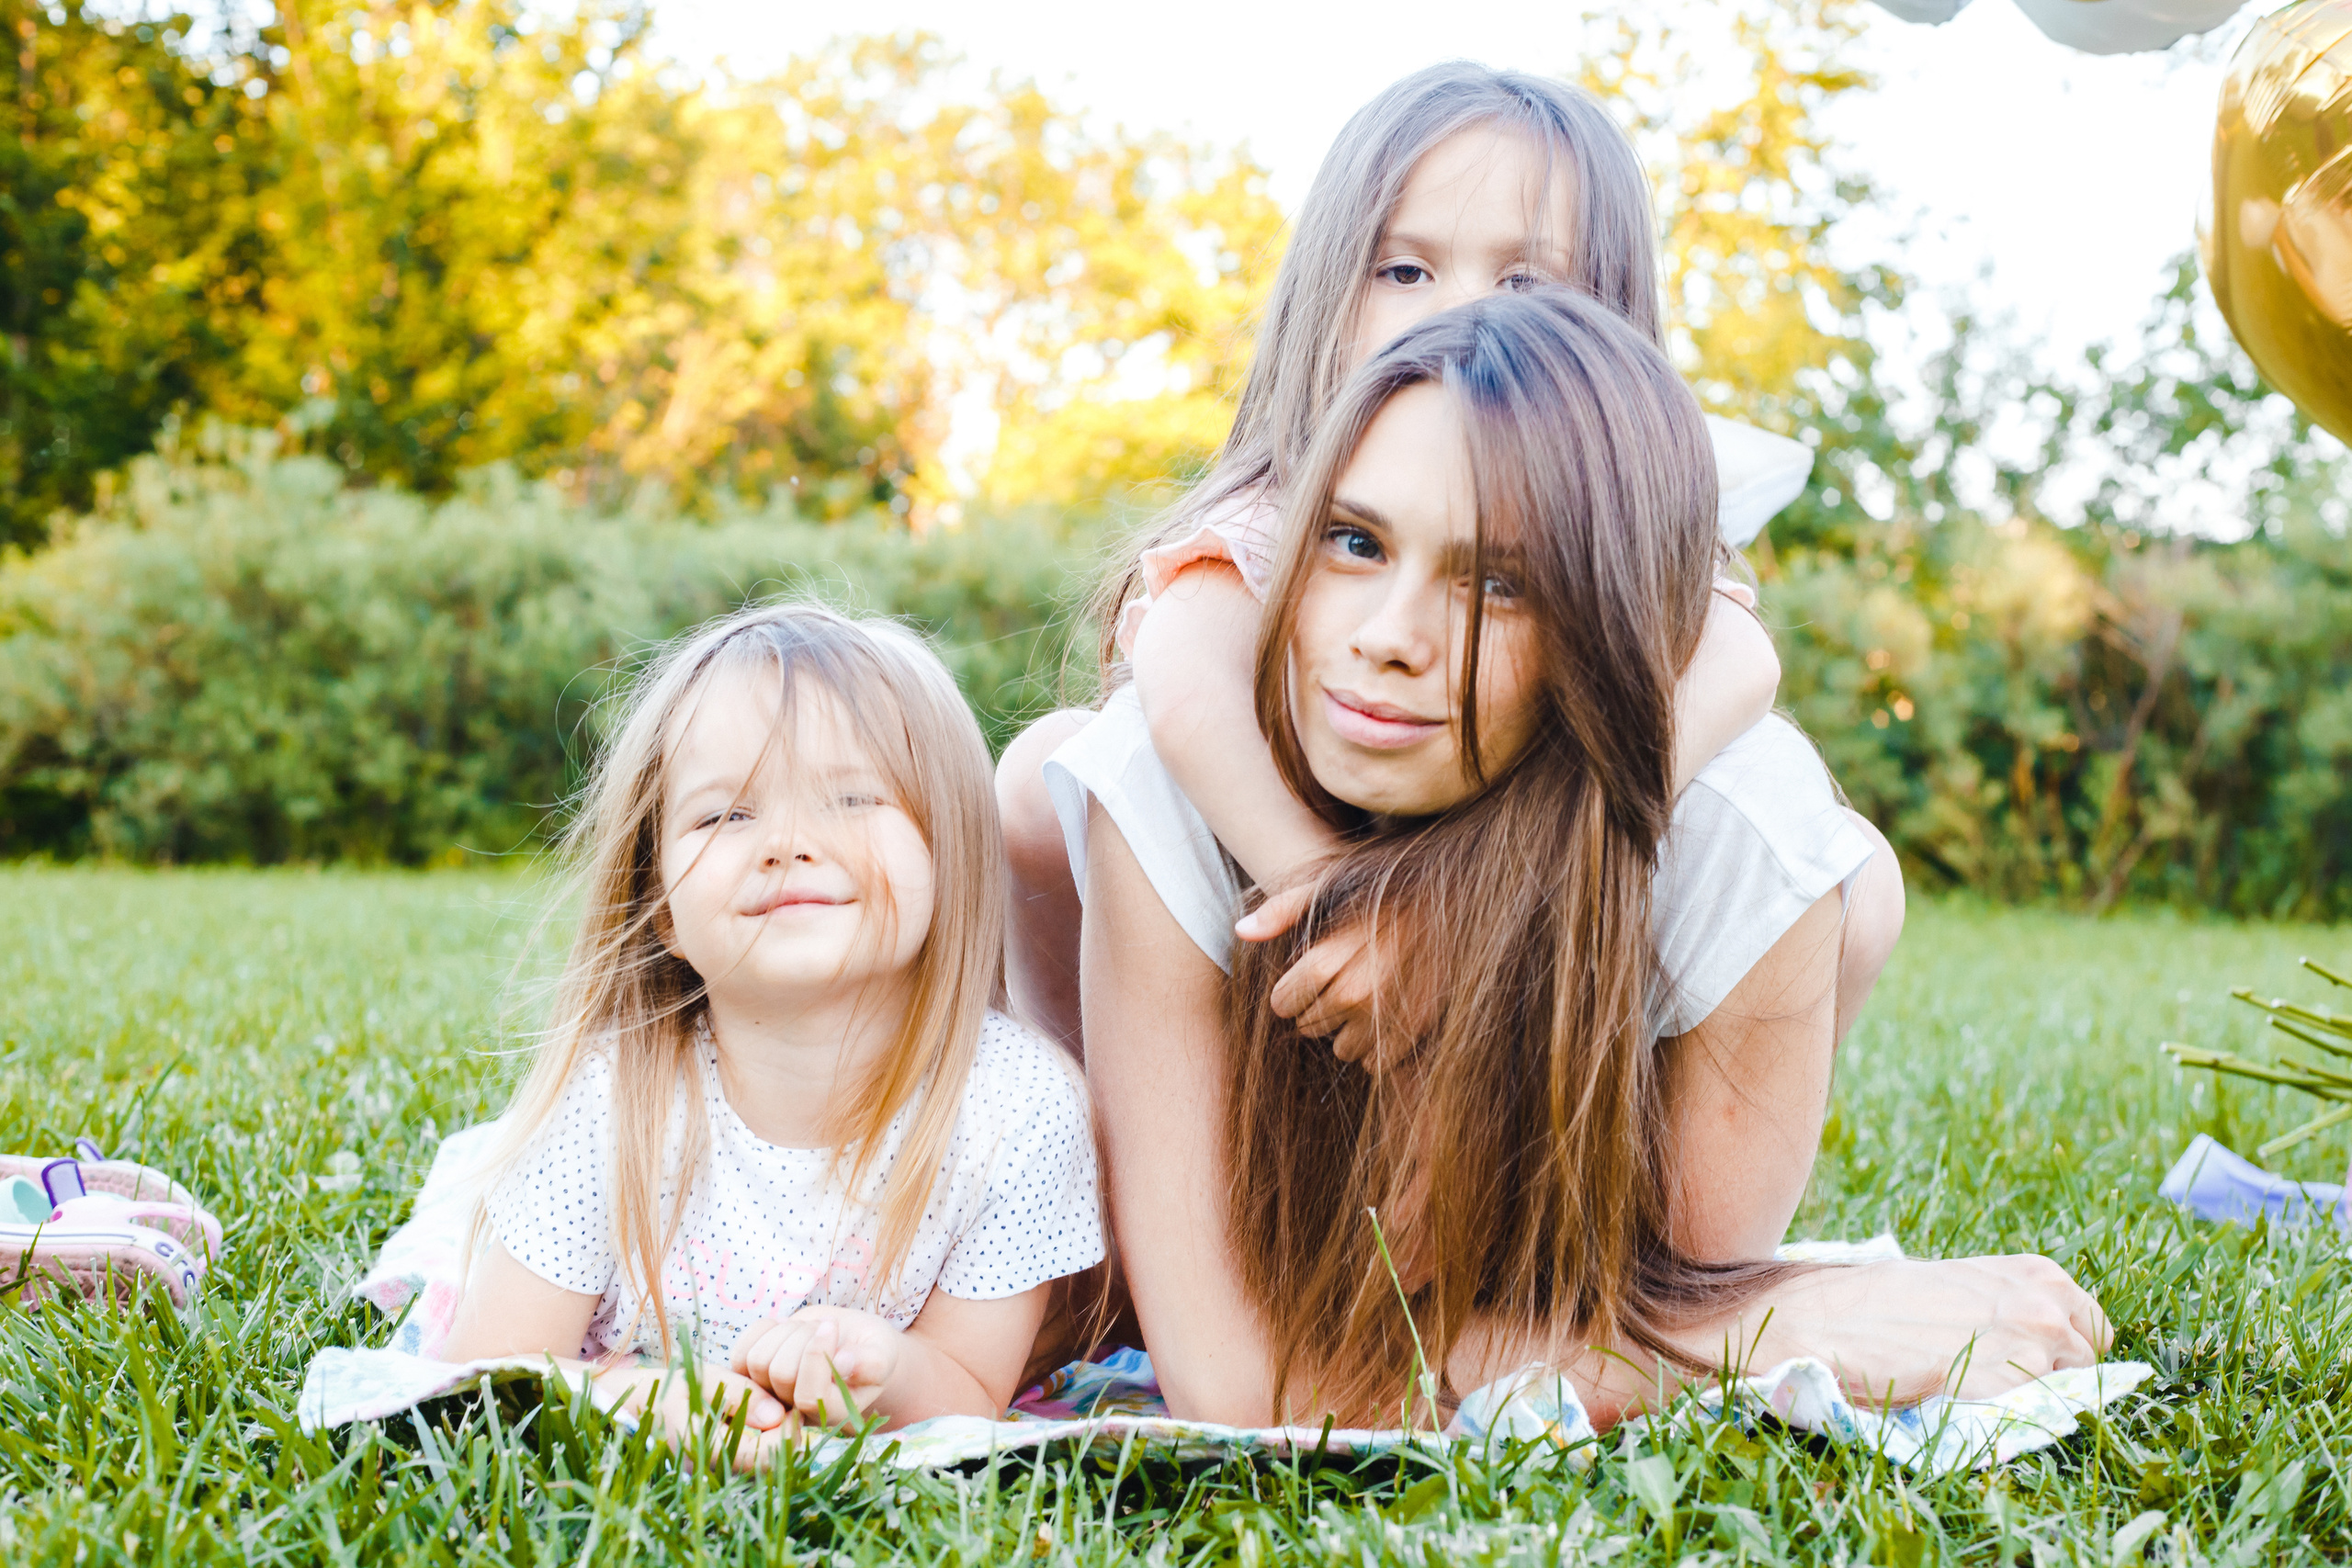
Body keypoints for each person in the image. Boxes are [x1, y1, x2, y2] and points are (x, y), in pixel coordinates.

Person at [994, 62, 1905, 1061]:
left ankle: (1667, 1163)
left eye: (1524, 282)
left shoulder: (1620, 520)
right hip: (1277, 961)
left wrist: (1501, 880)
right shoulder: (1290, 496)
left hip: (1526, 931)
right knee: (1043, 777)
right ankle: (1069, 1130)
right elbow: (1184, 686)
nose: (1454, 313)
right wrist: (1335, 898)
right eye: (1404, 271)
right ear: (1327, 304)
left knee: (1857, 880)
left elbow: (1741, 659)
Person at [438, 604, 1102, 1446]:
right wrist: (652, 1403)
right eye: (725, 815)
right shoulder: (611, 1103)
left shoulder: (1018, 1109)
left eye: (854, 796)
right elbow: (482, 1374)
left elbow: (969, 1387)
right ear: (662, 908)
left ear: (950, 852)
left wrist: (887, 1368)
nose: (787, 842)